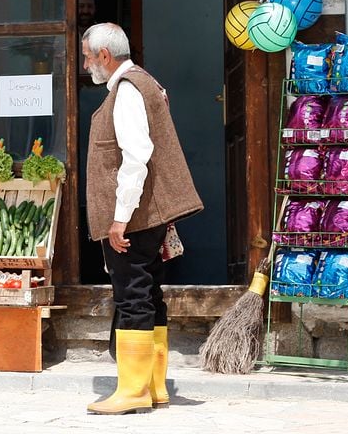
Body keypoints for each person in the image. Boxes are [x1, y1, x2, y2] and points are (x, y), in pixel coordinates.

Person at [81, 22, 203, 415]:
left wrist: (119, 218)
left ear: (104, 55)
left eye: (87, 56)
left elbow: (136, 156)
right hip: (144, 215)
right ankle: (152, 386)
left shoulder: (128, 90)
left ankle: (133, 390)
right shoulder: (140, 83)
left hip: (133, 218)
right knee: (148, 293)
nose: (85, 65)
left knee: (133, 295)